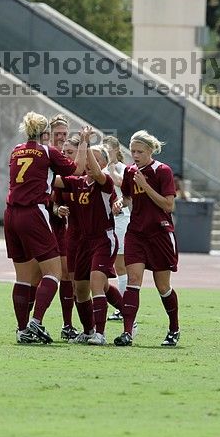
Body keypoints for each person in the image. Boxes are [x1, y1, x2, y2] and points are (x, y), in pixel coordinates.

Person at [4, 111, 86, 344]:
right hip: (33, 212)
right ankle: (35, 323)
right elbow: (78, 170)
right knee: (54, 272)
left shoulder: (16, 150)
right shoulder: (47, 151)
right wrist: (85, 143)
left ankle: (22, 330)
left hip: (10, 214)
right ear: (46, 133)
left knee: (22, 277)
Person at [115, 130, 180, 347]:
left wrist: (145, 185)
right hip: (136, 233)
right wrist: (119, 204)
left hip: (160, 233)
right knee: (133, 281)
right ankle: (127, 333)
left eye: (139, 151)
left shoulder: (163, 171)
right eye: (132, 151)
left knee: (163, 287)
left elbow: (168, 205)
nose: (135, 155)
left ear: (150, 151)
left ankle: (174, 328)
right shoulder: (130, 172)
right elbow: (127, 197)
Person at [55, 146, 122, 345]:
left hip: (102, 240)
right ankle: (88, 330)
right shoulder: (77, 183)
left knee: (96, 284)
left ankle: (100, 334)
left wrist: (85, 143)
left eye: (96, 160)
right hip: (81, 242)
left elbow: (99, 174)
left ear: (102, 164)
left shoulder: (105, 182)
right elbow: (52, 179)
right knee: (80, 290)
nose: (90, 164)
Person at [48, 114, 78, 340]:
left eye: (64, 134)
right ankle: (28, 323)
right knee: (37, 275)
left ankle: (68, 325)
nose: (61, 138)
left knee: (69, 274)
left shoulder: (68, 161)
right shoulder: (44, 155)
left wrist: (58, 208)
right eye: (57, 134)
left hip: (64, 227)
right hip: (40, 220)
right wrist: (56, 208)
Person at [102, 135, 130, 321]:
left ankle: (123, 306)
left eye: (108, 150)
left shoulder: (121, 169)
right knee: (110, 264)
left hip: (121, 220)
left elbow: (120, 183)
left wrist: (111, 166)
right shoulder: (101, 169)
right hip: (107, 221)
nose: (105, 153)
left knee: (120, 265)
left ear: (116, 151)